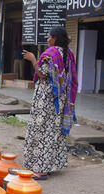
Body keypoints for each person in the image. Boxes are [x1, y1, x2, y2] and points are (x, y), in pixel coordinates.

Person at [22, 26, 78, 181]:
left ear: (54, 38)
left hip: (46, 100)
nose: (47, 40)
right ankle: (50, 165)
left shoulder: (51, 54)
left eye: (48, 37)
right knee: (53, 133)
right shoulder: (68, 53)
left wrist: (33, 59)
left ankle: (40, 170)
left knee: (41, 132)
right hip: (59, 101)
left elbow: (42, 75)